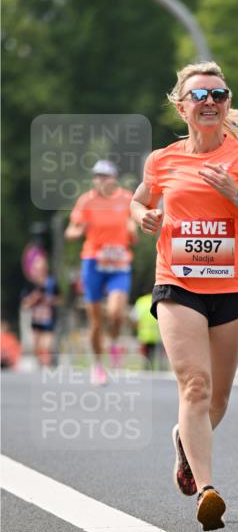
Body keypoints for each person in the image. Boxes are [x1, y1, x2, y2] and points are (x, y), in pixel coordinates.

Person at [130, 61, 238, 532]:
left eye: (219, 94)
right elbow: (140, 199)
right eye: (200, 96)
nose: (211, 102)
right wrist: (142, 216)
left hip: (233, 290)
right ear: (182, 107)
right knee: (194, 385)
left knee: (216, 400)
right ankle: (208, 491)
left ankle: (183, 440)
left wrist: (236, 195)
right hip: (178, 284)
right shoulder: (162, 160)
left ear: (227, 103)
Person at [65, 159, 136, 384]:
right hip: (93, 261)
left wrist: (133, 228)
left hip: (119, 263)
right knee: (95, 319)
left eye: (105, 176)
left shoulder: (126, 198)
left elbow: (135, 223)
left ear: (114, 178)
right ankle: (98, 365)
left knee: (116, 312)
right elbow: (72, 230)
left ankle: (113, 341)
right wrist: (75, 232)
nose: (100, 180)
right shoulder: (86, 201)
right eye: (97, 176)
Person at [20, 254, 60, 365]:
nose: (40, 270)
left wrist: (49, 300)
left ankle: (47, 364)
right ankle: (41, 365)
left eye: (42, 267)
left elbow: (60, 299)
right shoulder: (30, 285)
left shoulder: (52, 283)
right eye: (38, 268)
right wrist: (34, 298)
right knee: (37, 346)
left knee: (47, 345)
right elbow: (24, 304)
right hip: (36, 320)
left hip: (49, 320)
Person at [131, 291, 162, 369]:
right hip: (156, 335)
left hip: (143, 335)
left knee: (145, 358)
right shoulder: (158, 299)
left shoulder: (140, 301)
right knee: (156, 358)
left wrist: (136, 331)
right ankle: (156, 369)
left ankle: (146, 369)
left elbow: (135, 319)